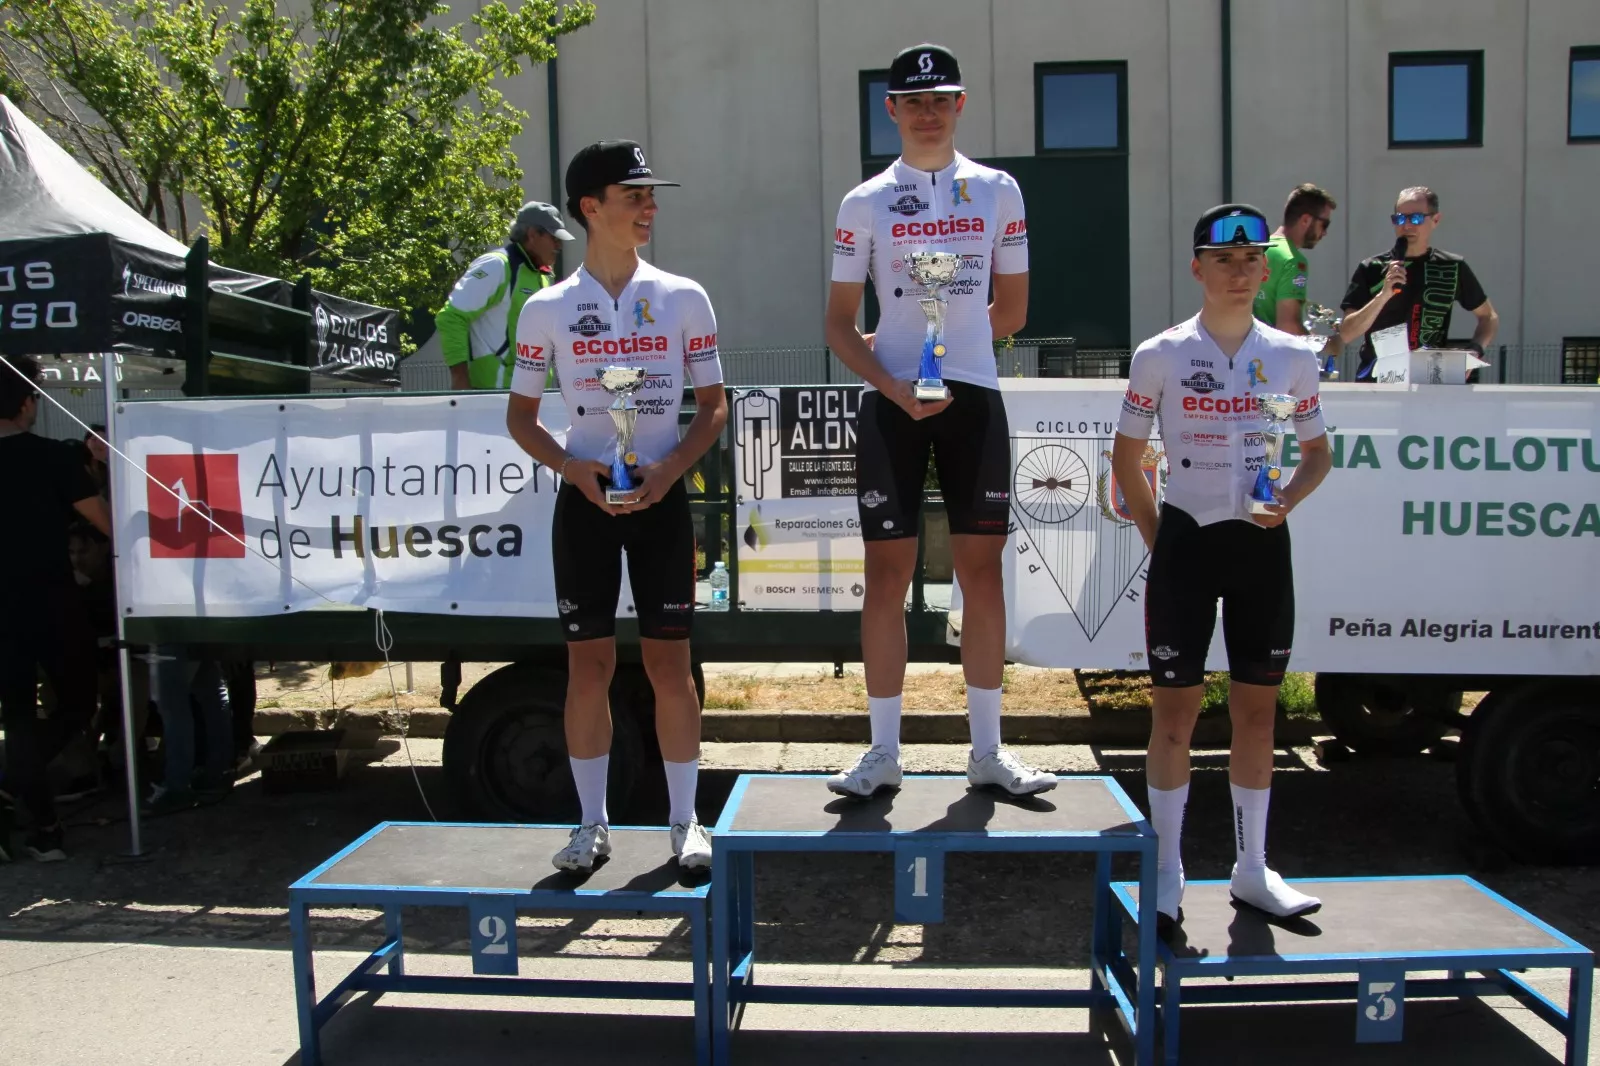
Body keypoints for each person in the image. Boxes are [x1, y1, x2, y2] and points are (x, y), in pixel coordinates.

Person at [823, 42, 1053, 799]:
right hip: (892, 404)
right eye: (913, 101)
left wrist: (950, 352)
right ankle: (882, 751)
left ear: (960, 106)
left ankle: (987, 750)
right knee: (884, 577)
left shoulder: (998, 191)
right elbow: (837, 325)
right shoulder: (864, 202)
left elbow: (1013, 310)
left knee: (981, 574)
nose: (928, 112)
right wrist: (897, 383)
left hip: (975, 397)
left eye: (941, 99)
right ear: (890, 109)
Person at [506, 140, 728, 872]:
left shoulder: (683, 296)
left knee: (672, 666)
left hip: (660, 501)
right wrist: (575, 470)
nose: (650, 206)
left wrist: (665, 475)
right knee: (587, 667)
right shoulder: (546, 310)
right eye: (634, 195)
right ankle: (591, 824)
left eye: (651, 195)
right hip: (585, 505)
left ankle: (685, 823)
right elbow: (521, 419)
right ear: (589, 207)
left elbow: (713, 409)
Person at [1111, 205, 1334, 932]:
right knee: (1173, 715)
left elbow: (1317, 453)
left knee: (1258, 714)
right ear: (1196, 268)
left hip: (1261, 548)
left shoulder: (1294, 357)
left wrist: (1289, 501)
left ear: (1265, 269)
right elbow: (1127, 461)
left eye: (1250, 261)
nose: (1238, 273)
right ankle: (1169, 870)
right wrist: (1161, 541)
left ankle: (1251, 868)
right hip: (1187, 541)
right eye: (1222, 259)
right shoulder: (1161, 354)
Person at [0, 355, 112, 861]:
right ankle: (20, 792)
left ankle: (38, 819)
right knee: (77, 702)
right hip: (49, 597)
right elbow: (106, 523)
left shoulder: (52, 456)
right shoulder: (52, 458)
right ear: (26, 404)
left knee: (18, 713)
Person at [1337, 186, 1499, 381]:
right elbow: (1345, 334)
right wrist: (1383, 296)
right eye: (1399, 218)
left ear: (1435, 220)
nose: (1406, 226)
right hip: (1377, 382)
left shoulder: (1452, 266)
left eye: (1415, 218)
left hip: (1430, 381)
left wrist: (1475, 349)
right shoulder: (1371, 268)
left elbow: (1488, 316)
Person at [437, 200, 575, 391]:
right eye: (554, 238)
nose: (559, 245)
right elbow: (451, 317)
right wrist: (460, 380)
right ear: (533, 235)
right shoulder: (496, 265)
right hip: (493, 397)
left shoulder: (541, 275)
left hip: (531, 398)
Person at [1252, 183, 1341, 364]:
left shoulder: (1257, 249)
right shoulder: (1293, 260)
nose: (1325, 233)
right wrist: (1330, 346)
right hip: (1272, 364)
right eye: (1324, 224)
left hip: (1245, 357)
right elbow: (1289, 327)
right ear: (1306, 220)